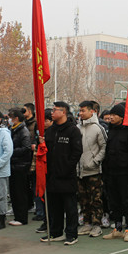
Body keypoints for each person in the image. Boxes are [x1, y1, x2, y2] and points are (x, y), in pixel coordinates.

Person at [41, 101, 83, 245]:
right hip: (51, 175)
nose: (52, 113)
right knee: (54, 206)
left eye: (55, 110)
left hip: (66, 176)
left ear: (63, 112)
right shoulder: (50, 131)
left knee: (70, 207)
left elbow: (77, 152)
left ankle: (71, 234)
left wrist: (66, 168)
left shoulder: (73, 130)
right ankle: (56, 232)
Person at [102, 102, 128, 242]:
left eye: (114, 115)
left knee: (127, 201)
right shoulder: (111, 130)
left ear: (122, 116)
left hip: (126, 174)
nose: (111, 117)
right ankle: (117, 228)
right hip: (112, 173)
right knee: (114, 201)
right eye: (110, 115)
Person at [76, 100, 107, 238]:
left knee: (96, 199)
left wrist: (95, 161)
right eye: (80, 111)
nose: (81, 113)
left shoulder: (98, 128)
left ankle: (97, 225)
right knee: (83, 199)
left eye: (83, 110)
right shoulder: (77, 128)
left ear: (92, 111)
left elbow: (104, 147)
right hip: (79, 171)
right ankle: (86, 223)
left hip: (93, 171)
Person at [6, 108, 32, 226]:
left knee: (20, 192)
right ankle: (17, 216)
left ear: (16, 118)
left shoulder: (23, 131)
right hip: (13, 164)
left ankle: (22, 218)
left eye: (10, 118)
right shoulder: (12, 129)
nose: (9, 120)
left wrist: (10, 151)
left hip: (21, 165)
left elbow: (26, 148)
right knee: (14, 192)